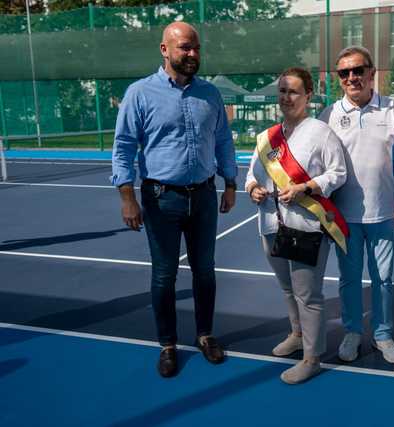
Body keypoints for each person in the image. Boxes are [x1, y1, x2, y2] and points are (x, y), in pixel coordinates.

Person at [111, 22, 237, 378]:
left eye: (196, 47)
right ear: (165, 50)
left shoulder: (210, 93)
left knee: (205, 273)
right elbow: (123, 147)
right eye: (184, 47)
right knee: (164, 276)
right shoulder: (140, 93)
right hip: (160, 199)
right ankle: (167, 344)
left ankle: (205, 335)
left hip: (204, 196)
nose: (192, 54)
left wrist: (230, 182)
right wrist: (127, 197)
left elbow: (223, 139)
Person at [245, 67, 347, 384]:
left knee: (308, 294)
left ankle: (312, 357)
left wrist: (306, 187)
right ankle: (297, 334)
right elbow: (250, 174)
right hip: (270, 224)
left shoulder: (321, 132)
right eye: (282, 91)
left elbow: (338, 173)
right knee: (287, 289)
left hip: (305, 225)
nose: (286, 97)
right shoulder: (268, 137)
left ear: (308, 96)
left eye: (293, 91)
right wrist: (252, 188)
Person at [319, 46, 394, 364]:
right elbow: (318, 164)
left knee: (383, 278)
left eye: (358, 70)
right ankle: (352, 332)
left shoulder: (393, 109)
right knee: (348, 278)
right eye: (344, 73)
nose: (351, 77)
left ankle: (383, 334)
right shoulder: (328, 115)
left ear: (372, 73)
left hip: (383, 213)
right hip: (343, 218)